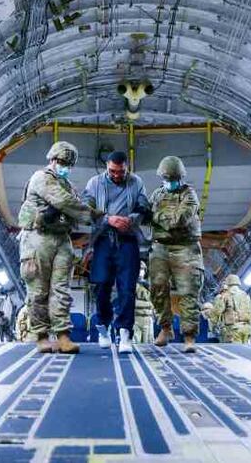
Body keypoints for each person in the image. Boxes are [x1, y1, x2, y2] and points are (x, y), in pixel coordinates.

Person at [17, 141, 102, 353]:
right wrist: (96, 216)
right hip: (38, 238)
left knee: (61, 290)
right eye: (62, 162)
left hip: (62, 239)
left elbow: (72, 205)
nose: (65, 166)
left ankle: (63, 335)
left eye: (68, 164)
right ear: (52, 160)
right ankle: (42, 336)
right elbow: (65, 202)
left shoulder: (67, 185)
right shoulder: (41, 178)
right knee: (38, 290)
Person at [84, 151, 150, 354]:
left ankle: (124, 332)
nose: (116, 175)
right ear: (107, 167)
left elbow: (143, 206)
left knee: (127, 289)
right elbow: (86, 209)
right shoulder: (94, 183)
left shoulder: (136, 182)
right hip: (103, 240)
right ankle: (103, 327)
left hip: (128, 241)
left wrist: (131, 219)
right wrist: (108, 220)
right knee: (102, 285)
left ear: (126, 168)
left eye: (120, 172)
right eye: (112, 171)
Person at [147, 156, 204, 353]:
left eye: (174, 178)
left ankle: (189, 336)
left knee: (188, 292)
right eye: (166, 178)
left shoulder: (190, 195)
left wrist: (153, 215)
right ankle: (165, 329)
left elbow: (178, 220)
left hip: (185, 248)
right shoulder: (156, 195)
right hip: (160, 247)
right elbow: (145, 216)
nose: (170, 182)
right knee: (157, 289)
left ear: (181, 177)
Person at [211, 274, 251, 343]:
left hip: (232, 331)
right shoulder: (246, 295)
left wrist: (213, 327)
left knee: (233, 352)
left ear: (228, 282)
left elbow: (216, 312)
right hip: (246, 330)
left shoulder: (224, 296)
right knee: (244, 352)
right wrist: (250, 328)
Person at [133, 267, 154, 343]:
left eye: (142, 269)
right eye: (139, 268)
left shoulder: (148, 285)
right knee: (135, 343)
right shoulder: (130, 284)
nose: (140, 271)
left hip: (148, 319)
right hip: (135, 320)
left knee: (148, 344)